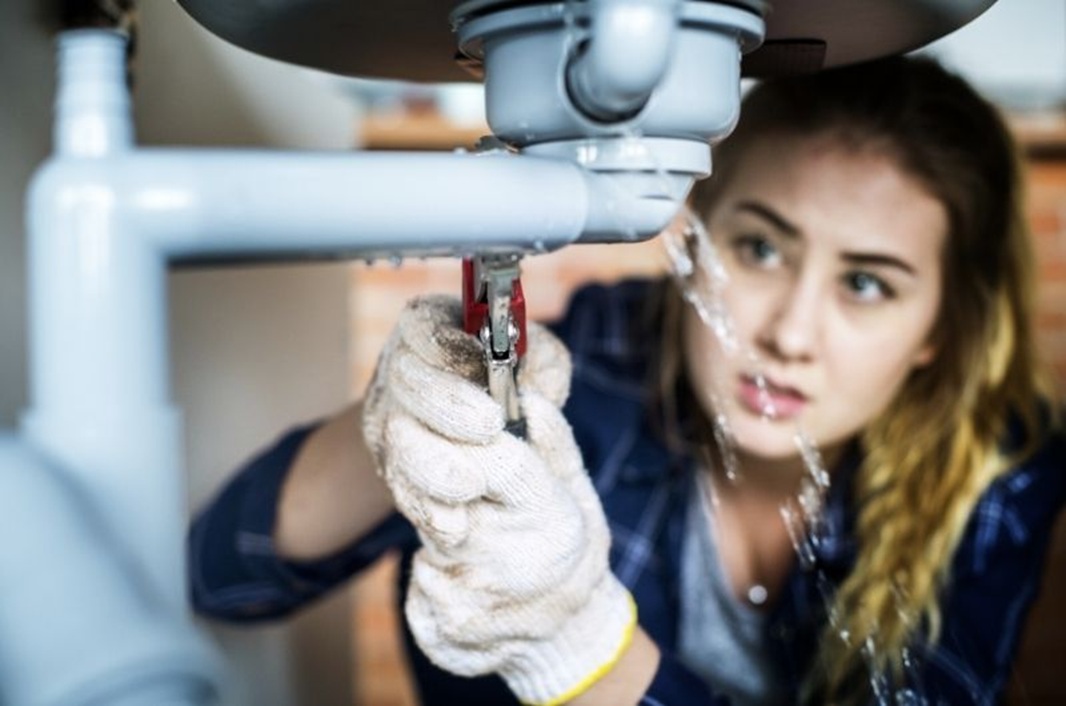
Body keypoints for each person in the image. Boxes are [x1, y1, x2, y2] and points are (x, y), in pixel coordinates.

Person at [188, 55, 1065, 706]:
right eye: (759, 248)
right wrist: (391, 425)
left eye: (866, 283)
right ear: (692, 239)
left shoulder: (991, 466)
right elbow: (224, 574)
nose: (790, 333)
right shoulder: (606, 355)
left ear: (937, 333)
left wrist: (584, 647)